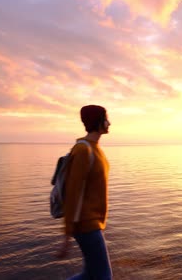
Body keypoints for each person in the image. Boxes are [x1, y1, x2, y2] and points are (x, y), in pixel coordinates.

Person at [56, 104, 112, 279]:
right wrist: (67, 234)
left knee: (91, 274)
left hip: (93, 222)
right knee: (103, 277)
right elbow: (73, 194)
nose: (109, 123)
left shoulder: (96, 149)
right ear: (98, 121)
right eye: (106, 119)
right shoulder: (82, 150)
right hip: (86, 224)